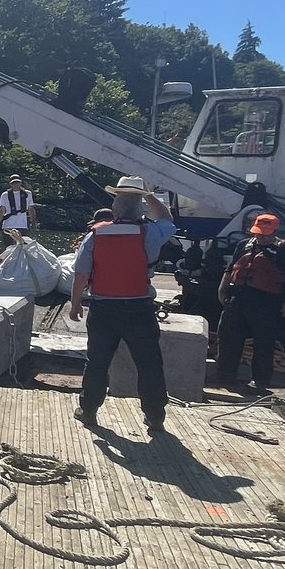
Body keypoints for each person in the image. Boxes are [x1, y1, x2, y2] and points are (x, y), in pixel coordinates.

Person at [67, 176, 178, 435]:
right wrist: (147, 193)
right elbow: (167, 219)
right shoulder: (150, 232)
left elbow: (81, 275)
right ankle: (155, 417)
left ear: (115, 208)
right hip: (140, 308)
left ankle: (89, 410)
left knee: (97, 361)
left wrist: (74, 304)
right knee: (149, 364)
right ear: (140, 208)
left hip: (104, 309)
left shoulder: (95, 234)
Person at [211, 212, 285, 394]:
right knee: (228, 340)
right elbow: (231, 269)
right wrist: (222, 290)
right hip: (237, 300)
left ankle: (260, 382)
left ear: (274, 232)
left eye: (265, 234)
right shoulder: (243, 245)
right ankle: (226, 378)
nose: (260, 237)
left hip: (267, 304)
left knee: (264, 344)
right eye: (258, 233)